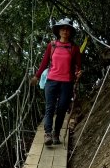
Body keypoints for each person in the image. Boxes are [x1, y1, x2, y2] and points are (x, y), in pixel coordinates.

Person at [32, 17, 83, 147]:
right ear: (59, 31)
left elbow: (78, 65)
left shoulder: (74, 48)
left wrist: (79, 72)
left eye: (67, 29)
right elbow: (44, 63)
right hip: (51, 81)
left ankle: (56, 134)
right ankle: (48, 134)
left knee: (61, 109)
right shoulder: (52, 45)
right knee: (50, 108)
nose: (65, 31)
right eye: (63, 29)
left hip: (67, 83)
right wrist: (37, 77)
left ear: (70, 32)